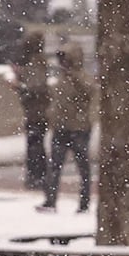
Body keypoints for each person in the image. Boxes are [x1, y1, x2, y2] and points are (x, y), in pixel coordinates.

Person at [43, 48, 95, 214]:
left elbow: (90, 92)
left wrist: (75, 77)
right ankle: (50, 200)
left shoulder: (82, 78)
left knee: (83, 168)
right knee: (55, 166)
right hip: (60, 129)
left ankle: (84, 202)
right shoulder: (61, 79)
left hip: (78, 129)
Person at [15, 26, 53, 200]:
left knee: (35, 144)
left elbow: (35, 88)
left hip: (36, 112)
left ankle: (37, 176)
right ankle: (38, 175)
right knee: (35, 143)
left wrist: (19, 86)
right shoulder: (36, 62)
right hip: (35, 111)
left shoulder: (36, 62)